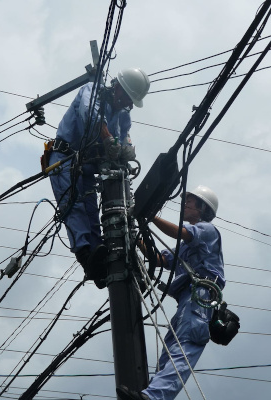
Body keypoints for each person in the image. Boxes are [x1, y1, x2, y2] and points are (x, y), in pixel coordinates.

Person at [117, 185, 225, 400]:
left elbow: (179, 233)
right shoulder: (184, 246)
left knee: (185, 346)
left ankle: (154, 397)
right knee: (170, 351)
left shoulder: (206, 230)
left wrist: (149, 215)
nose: (185, 204)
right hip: (188, 299)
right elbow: (159, 258)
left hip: (201, 295)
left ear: (203, 207)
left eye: (190, 201)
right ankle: (151, 394)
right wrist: (130, 233)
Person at [49, 68, 150, 283]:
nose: (128, 105)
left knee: (92, 212)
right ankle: (86, 256)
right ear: (118, 89)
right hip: (64, 158)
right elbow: (91, 116)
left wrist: (126, 149)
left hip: (86, 166)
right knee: (73, 205)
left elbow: (124, 139)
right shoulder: (92, 90)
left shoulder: (123, 115)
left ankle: (100, 259)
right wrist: (108, 139)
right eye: (128, 99)